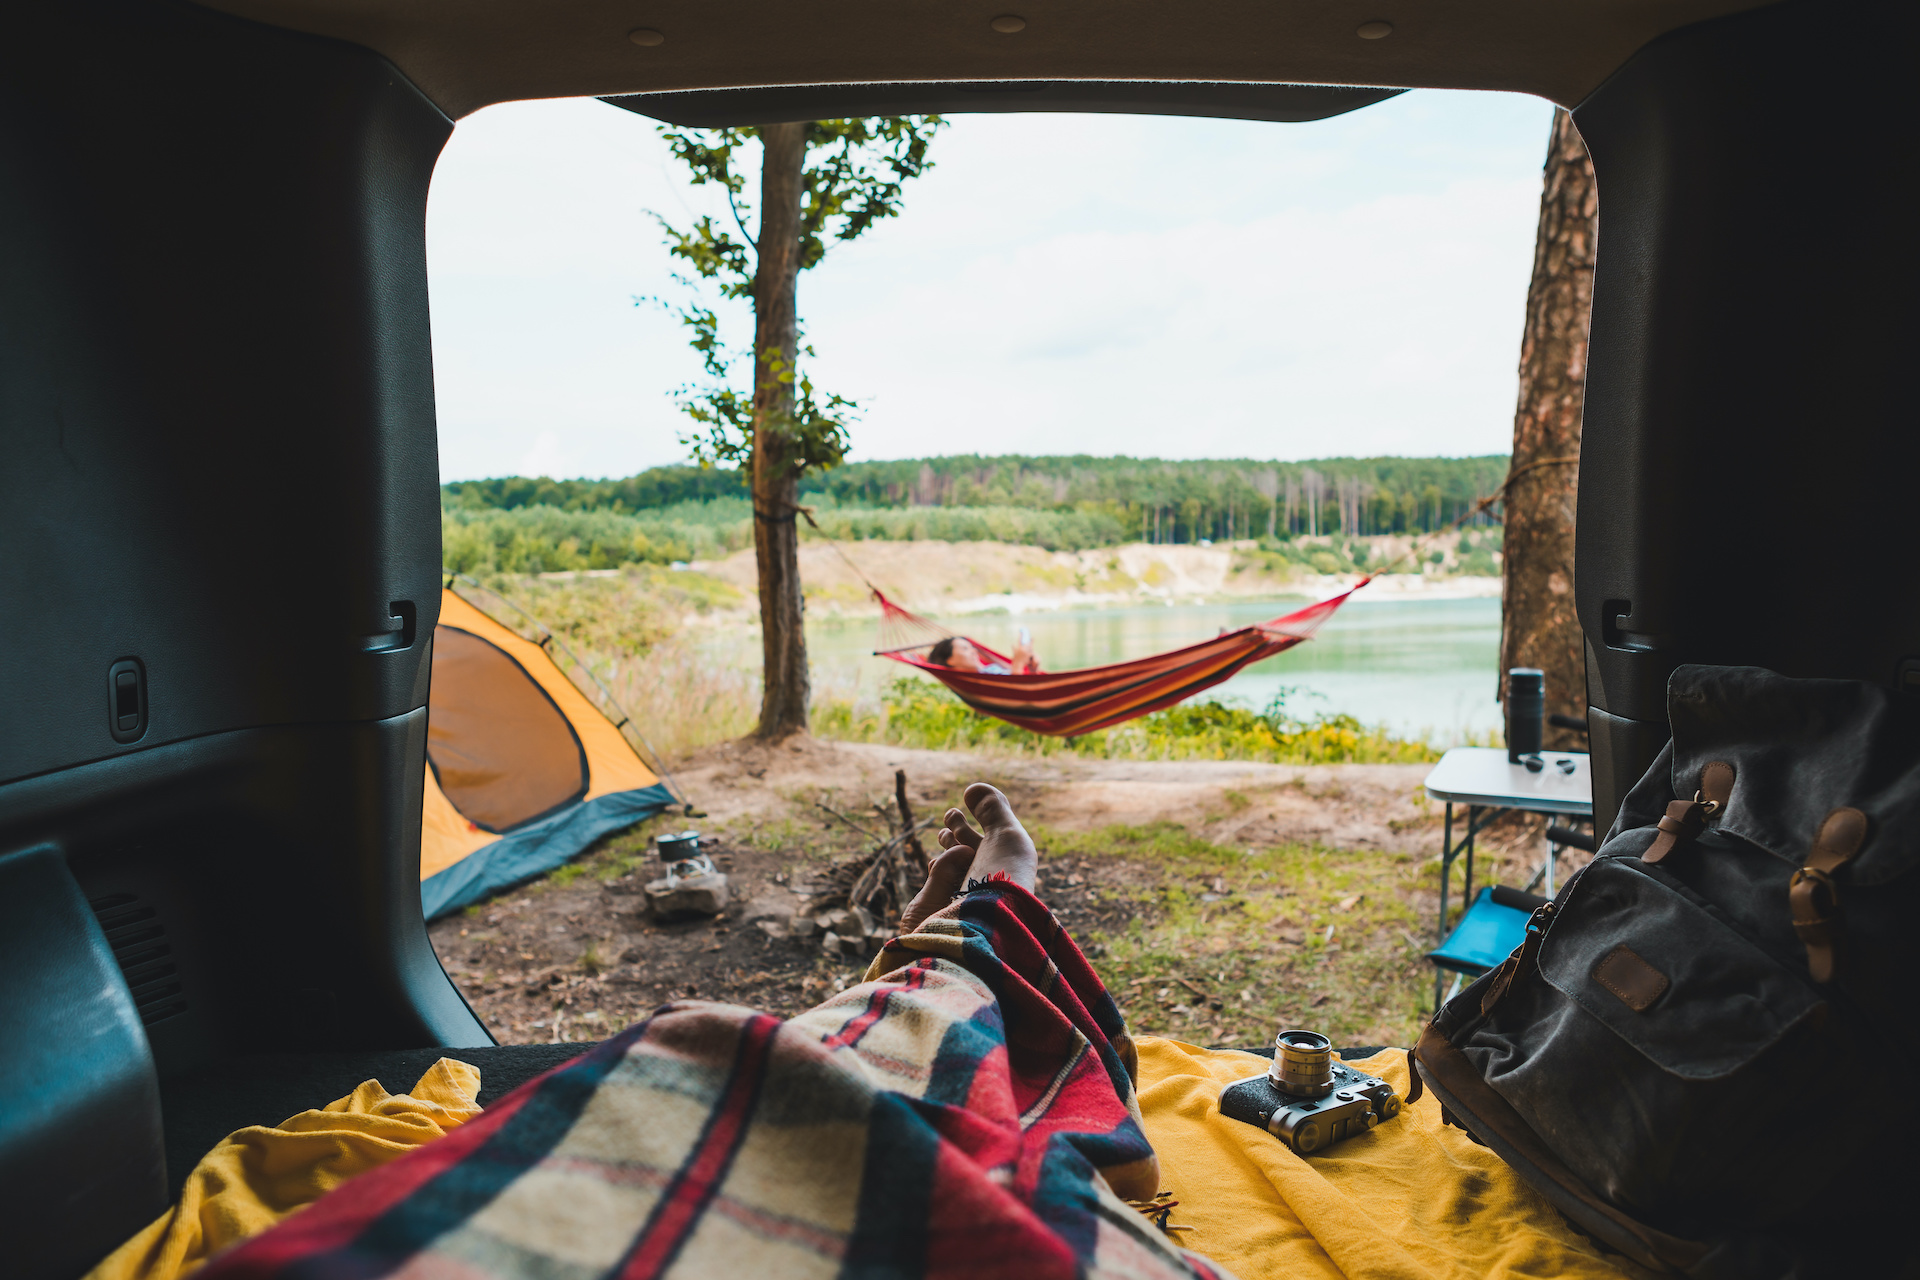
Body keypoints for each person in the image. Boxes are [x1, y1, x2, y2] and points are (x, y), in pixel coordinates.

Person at [926, 632, 1041, 674]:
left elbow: (1028, 689)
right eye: (965, 649)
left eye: (972, 647)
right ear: (950, 660)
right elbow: (1017, 693)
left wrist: (1032, 671)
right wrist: (1019, 664)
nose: (974, 651)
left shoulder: (988, 669)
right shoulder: (976, 684)